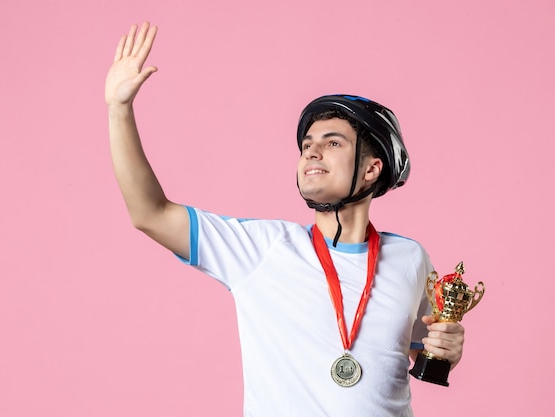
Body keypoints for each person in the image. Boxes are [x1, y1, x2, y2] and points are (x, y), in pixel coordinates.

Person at [105, 22, 465, 416]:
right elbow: (150, 213)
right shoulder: (263, 248)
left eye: (333, 143)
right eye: (307, 145)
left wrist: (447, 347)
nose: (312, 152)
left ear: (372, 168)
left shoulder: (411, 259)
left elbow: (420, 351)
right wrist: (119, 111)